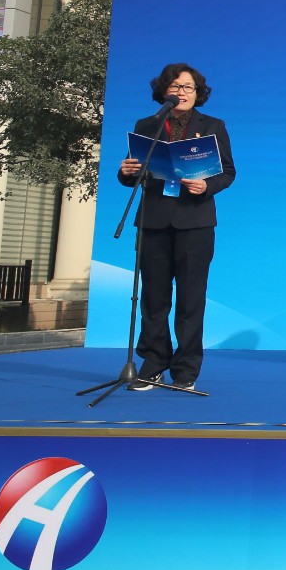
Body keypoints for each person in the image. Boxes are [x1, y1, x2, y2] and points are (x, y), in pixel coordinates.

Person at [117, 63, 236, 392]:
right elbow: (132, 175)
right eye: (175, 86)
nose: (181, 92)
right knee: (153, 299)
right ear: (164, 91)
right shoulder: (147, 124)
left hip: (195, 222)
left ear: (198, 93)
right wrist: (126, 171)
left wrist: (207, 186)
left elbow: (228, 172)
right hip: (153, 221)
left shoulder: (213, 126)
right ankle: (153, 363)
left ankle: (186, 369)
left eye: (188, 87)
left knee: (190, 300)